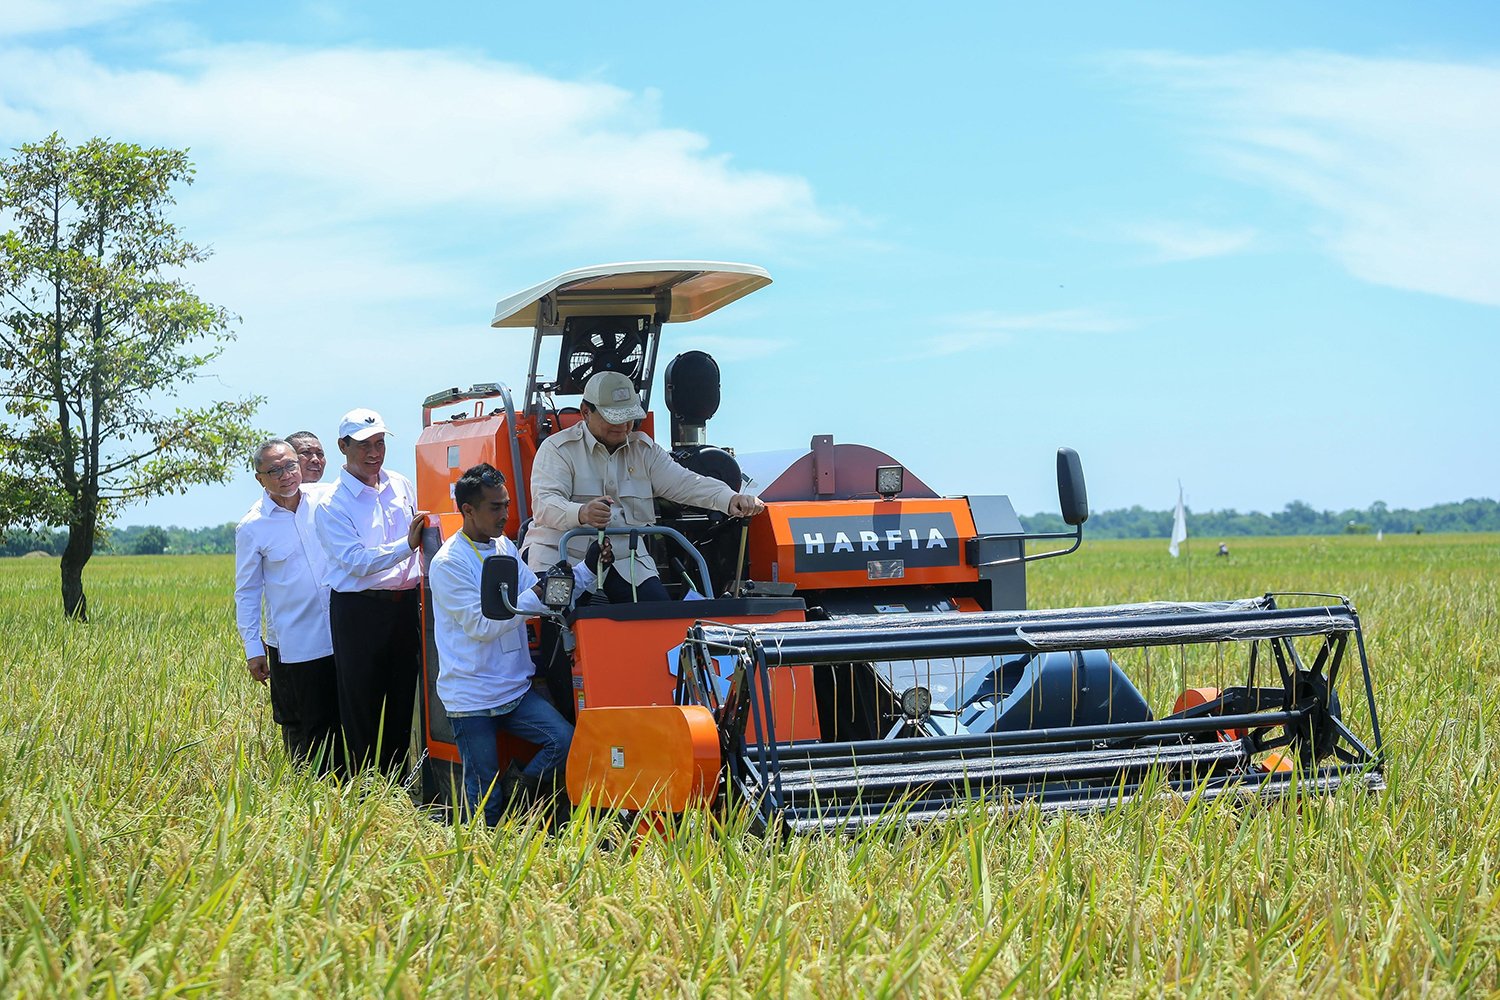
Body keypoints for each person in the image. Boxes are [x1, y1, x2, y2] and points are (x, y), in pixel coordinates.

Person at [428, 462, 605, 825]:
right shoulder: (448, 563)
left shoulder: (504, 545)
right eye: (495, 507)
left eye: (507, 504)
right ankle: (487, 847)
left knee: (565, 742)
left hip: (513, 690)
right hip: (472, 698)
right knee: (484, 796)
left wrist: (586, 570)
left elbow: (544, 599)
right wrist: (537, 592)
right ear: (468, 510)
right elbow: (482, 625)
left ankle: (517, 804)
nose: (504, 514)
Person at [527, 370, 764, 602]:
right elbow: (544, 504)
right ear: (586, 412)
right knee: (556, 619)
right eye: (613, 417)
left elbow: (685, 482)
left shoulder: (644, 451)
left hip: (627, 562)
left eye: (629, 417)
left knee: (660, 619)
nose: (624, 426)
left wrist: (730, 498)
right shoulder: (557, 449)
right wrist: (581, 513)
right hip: (564, 559)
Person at [314, 409, 431, 777]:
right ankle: (364, 790)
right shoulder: (332, 503)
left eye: (379, 443)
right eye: (364, 445)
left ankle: (395, 785)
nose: (374, 452)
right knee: (361, 703)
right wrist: (406, 546)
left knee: (402, 698)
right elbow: (355, 562)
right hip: (359, 610)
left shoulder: (400, 484)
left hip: (405, 605)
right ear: (343, 447)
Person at [234, 438, 340, 770]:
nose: (286, 476)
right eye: (274, 471)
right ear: (260, 479)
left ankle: (353, 788)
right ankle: (311, 790)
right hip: (298, 644)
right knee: (310, 727)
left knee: (348, 719)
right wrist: (253, 648)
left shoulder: (326, 499)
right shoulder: (252, 527)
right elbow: (247, 592)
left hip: (343, 633)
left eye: (290, 466)